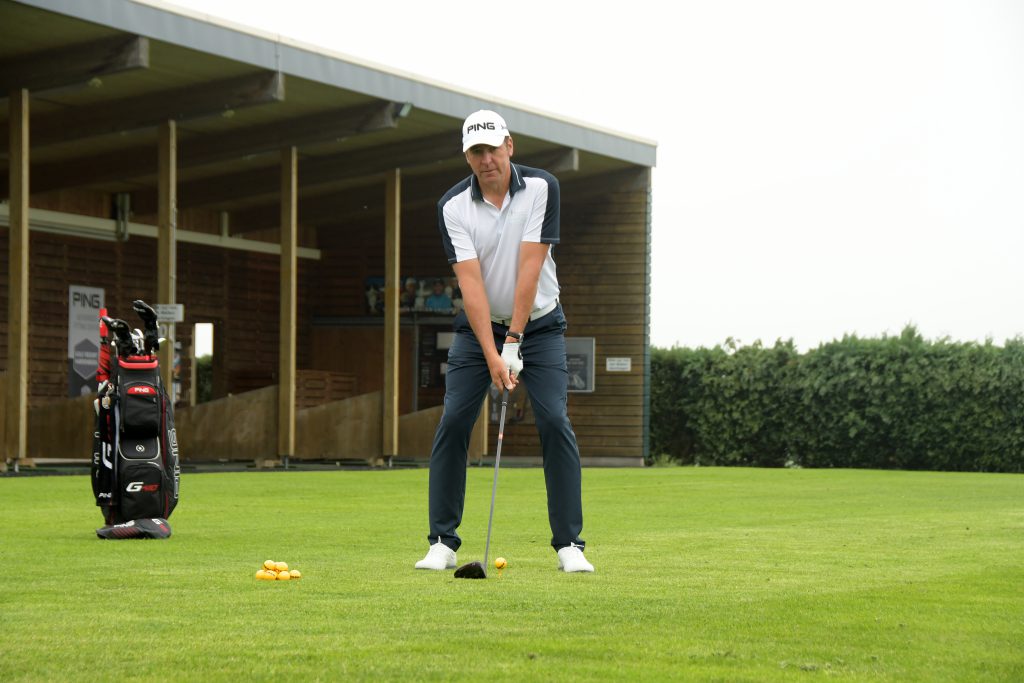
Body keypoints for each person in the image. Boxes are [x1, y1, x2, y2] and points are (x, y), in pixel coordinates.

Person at [414, 109, 593, 573]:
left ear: (509, 145)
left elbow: (530, 267)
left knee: (554, 420)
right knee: (454, 420)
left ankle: (569, 544)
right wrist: (494, 353)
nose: (486, 159)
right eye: (476, 151)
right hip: (478, 333)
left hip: (541, 324)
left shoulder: (541, 187)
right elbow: (471, 287)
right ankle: (441, 541)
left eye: (492, 148)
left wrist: (514, 340)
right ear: (467, 157)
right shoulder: (452, 207)